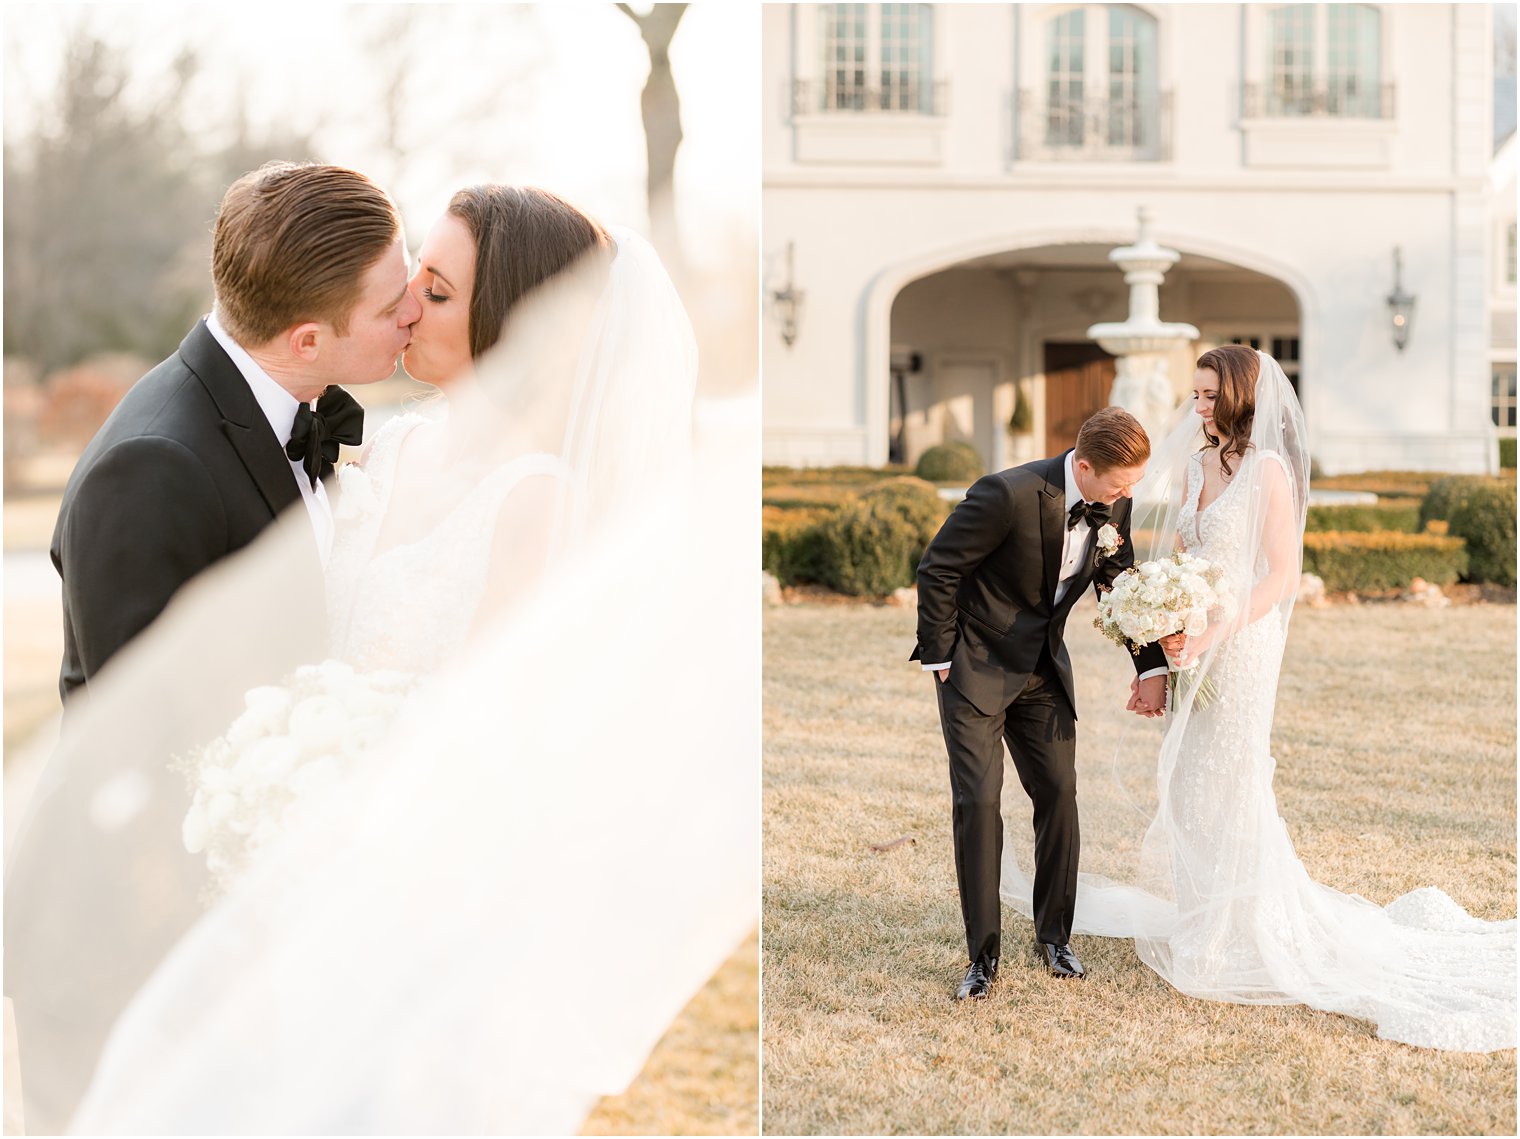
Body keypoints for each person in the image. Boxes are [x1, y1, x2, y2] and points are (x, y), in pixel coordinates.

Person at [6, 181, 757, 1134]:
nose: (408, 309)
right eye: (410, 286)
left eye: (434, 292)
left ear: (513, 321)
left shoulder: (534, 505)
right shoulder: (393, 449)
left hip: (381, 907)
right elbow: (147, 724)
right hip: (157, 919)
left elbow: (489, 749)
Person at [1034, 345, 1514, 1052]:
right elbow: (1177, 557)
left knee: (1229, 778)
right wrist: (1166, 623)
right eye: (1194, 394)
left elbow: (1282, 574)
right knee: (1192, 782)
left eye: (1206, 394)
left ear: (1237, 397)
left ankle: (1244, 933)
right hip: (1194, 642)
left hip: (1245, 641)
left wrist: (1221, 624)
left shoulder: (1267, 471)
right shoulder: (1197, 466)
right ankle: (1205, 924)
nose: (1195, 406)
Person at [50, 162, 419, 702]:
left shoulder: (286, 404)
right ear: (307, 342)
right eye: (391, 306)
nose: (413, 311)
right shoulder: (150, 471)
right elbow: (135, 734)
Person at [913, 407, 1169, 1000]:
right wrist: (940, 654)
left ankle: (1054, 936)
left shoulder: (1115, 505)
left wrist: (1149, 663)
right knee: (978, 802)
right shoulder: (1005, 493)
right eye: (1120, 483)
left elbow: (1119, 586)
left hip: (1043, 672)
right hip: (974, 667)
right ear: (1083, 466)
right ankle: (982, 958)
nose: (1128, 495)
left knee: (1060, 793)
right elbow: (940, 567)